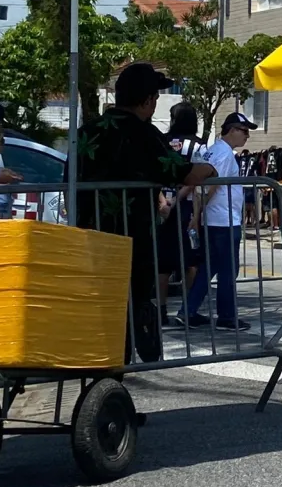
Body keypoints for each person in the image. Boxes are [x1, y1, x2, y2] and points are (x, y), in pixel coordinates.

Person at [70, 62, 215, 365]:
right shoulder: (143, 134)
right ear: (148, 100)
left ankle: (100, 381)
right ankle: (114, 381)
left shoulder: (86, 133)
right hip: (130, 239)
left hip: (86, 237)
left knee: (97, 310)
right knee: (125, 309)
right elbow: (180, 171)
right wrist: (210, 169)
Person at [177, 112, 255, 331]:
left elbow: (199, 185)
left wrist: (197, 215)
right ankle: (227, 317)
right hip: (224, 220)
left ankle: (188, 310)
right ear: (231, 130)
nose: (247, 136)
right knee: (228, 270)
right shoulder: (223, 154)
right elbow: (209, 186)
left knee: (208, 267)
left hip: (215, 219)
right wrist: (197, 214)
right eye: (244, 131)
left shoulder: (212, 151)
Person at [156, 101, 210, 325]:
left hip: (161, 207)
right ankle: (188, 309)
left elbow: (153, 174)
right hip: (187, 207)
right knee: (192, 260)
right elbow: (197, 177)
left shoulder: (162, 142)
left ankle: (160, 310)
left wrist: (162, 200)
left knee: (163, 262)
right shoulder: (198, 146)